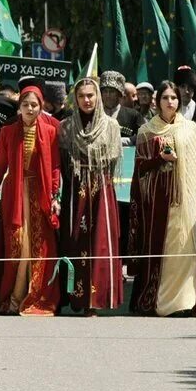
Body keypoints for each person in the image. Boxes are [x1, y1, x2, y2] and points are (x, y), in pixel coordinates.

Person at [129, 82, 196, 317]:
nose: (170, 102)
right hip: (159, 203)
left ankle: (188, 302)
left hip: (187, 202)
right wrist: (159, 159)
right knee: (166, 251)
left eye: (174, 98)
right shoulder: (146, 131)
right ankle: (162, 302)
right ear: (157, 101)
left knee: (186, 250)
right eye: (165, 98)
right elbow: (140, 169)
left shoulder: (190, 129)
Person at [0, 85, 61, 316]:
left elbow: (55, 167)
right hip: (15, 193)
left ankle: (37, 296)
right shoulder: (8, 132)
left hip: (40, 194)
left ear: (42, 107)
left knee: (39, 245)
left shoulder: (50, 132)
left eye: (34, 105)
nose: (30, 108)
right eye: (25, 104)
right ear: (19, 107)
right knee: (17, 243)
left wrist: (55, 195)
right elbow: (0, 164)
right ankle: (13, 296)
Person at [58, 78, 124, 315]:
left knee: (100, 243)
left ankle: (95, 301)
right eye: (82, 96)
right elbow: (63, 163)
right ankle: (76, 298)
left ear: (97, 97)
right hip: (76, 192)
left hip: (102, 191)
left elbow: (114, 159)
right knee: (75, 241)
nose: (87, 100)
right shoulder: (65, 127)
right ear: (75, 99)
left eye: (90, 95)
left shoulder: (111, 126)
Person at [99, 71, 146, 147]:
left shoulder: (133, 115)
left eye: (111, 92)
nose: (108, 95)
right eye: (105, 91)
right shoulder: (95, 114)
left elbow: (145, 136)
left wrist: (124, 141)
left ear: (119, 94)